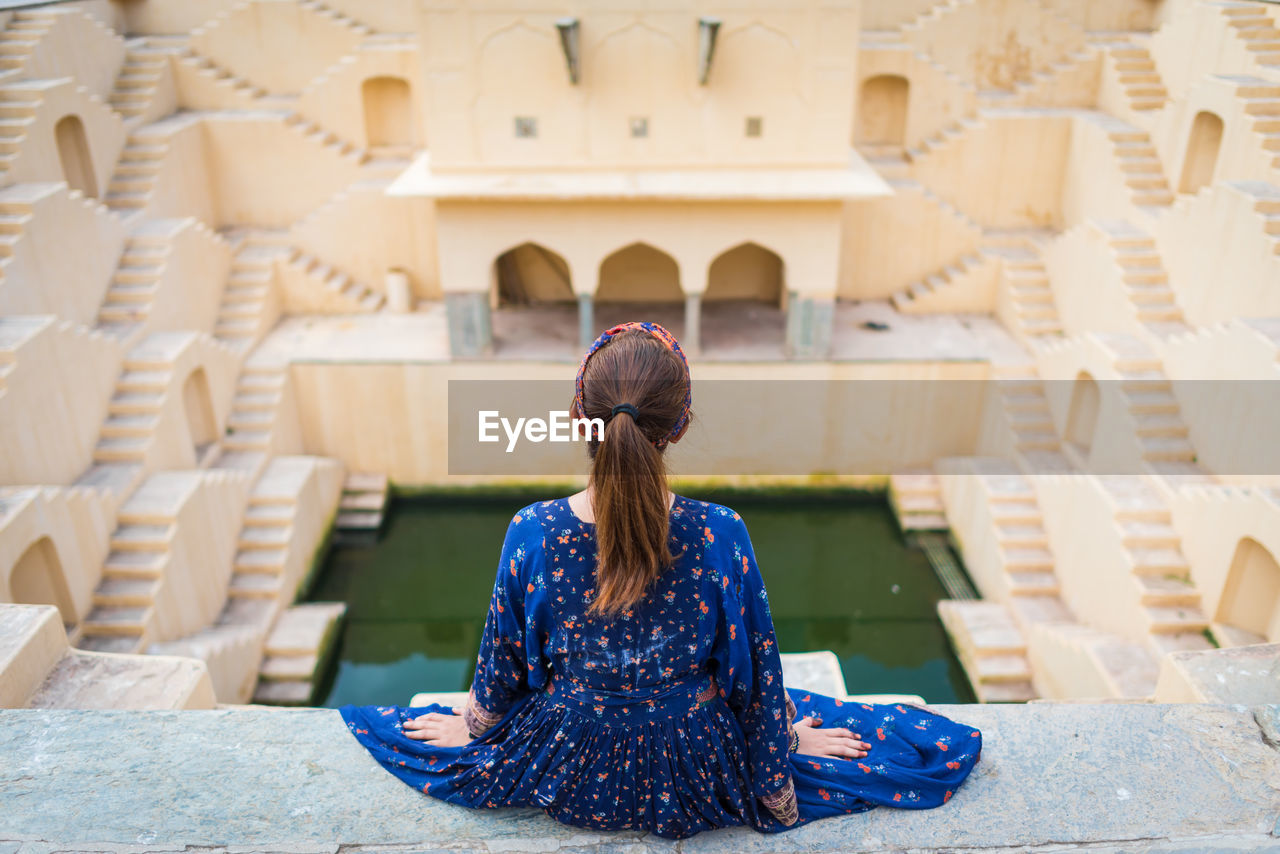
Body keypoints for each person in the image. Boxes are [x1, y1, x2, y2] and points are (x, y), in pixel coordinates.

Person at [339, 321, 982, 840]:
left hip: (567, 767)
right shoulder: (718, 532)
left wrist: (476, 728)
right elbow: (750, 676)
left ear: (578, 417)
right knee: (895, 740)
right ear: (678, 425)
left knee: (418, 722)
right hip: (693, 771)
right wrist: (784, 745)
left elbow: (502, 671)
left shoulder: (531, 530)